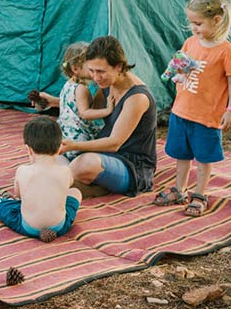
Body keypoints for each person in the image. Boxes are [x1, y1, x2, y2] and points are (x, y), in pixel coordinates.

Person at [153, 0, 231, 217]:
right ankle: (179, 189)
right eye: (191, 22)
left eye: (198, 23)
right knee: (181, 155)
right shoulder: (191, 42)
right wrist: (177, 72)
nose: (194, 27)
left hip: (206, 116)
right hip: (181, 111)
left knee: (203, 157)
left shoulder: (227, 51)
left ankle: (200, 193)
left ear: (217, 20)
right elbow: (181, 65)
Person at [60, 36, 158, 197]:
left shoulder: (137, 97)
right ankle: (73, 187)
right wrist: (57, 101)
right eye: (91, 71)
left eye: (101, 71)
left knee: (84, 164)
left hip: (132, 166)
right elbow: (87, 110)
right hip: (104, 156)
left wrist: (73, 145)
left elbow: (114, 143)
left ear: (118, 67)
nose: (96, 77)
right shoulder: (107, 84)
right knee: (51, 159)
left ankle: (60, 186)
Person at [0, 116, 82, 242]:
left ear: (28, 150)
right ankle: (48, 229)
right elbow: (68, 187)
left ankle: (7, 203)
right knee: (75, 192)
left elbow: (19, 195)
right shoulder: (65, 170)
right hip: (59, 227)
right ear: (59, 148)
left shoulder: (22, 171)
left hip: (28, 226)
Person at [52, 42, 114, 143]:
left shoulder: (67, 85)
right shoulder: (80, 89)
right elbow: (85, 113)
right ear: (75, 68)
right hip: (80, 138)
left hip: (65, 136)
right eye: (91, 69)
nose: (95, 71)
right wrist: (108, 110)